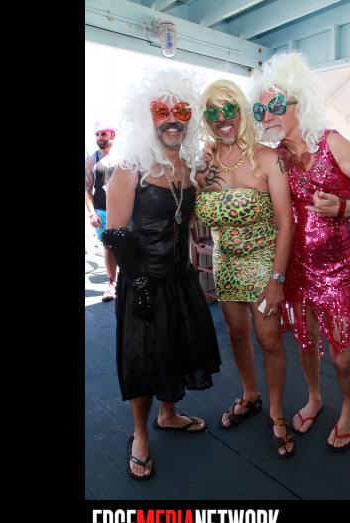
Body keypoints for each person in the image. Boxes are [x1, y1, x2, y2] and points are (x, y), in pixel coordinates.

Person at [253, 52, 350, 451]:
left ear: (302, 102)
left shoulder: (332, 143)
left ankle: (349, 407)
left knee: (342, 355)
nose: (267, 115)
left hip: (337, 272)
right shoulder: (277, 158)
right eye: (261, 109)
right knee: (306, 341)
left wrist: (346, 206)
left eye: (276, 105)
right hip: (295, 269)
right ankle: (314, 397)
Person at [102, 69, 221, 480]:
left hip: (180, 279)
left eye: (181, 111)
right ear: (146, 116)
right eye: (161, 111)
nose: (172, 120)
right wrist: (136, 284)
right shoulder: (130, 169)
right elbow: (115, 234)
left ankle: (168, 415)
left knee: (175, 350)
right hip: (143, 280)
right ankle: (140, 435)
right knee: (142, 359)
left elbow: (190, 217)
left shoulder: (188, 168)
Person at [194, 79, 295, 459]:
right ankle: (250, 395)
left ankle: (276, 413)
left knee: (269, 340)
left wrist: (277, 280)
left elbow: (286, 223)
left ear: (241, 112)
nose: (222, 119)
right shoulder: (203, 165)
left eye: (229, 109)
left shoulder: (268, 159)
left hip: (264, 264)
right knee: (237, 334)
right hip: (224, 264)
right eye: (213, 112)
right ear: (206, 118)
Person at [85, 122, 119, 301]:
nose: (99, 138)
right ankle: (111, 284)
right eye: (97, 135)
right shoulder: (92, 160)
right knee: (109, 246)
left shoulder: (124, 157)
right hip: (102, 210)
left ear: (112, 135)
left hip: (123, 209)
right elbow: (87, 189)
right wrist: (92, 213)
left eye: (103, 134)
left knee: (129, 245)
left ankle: (130, 281)